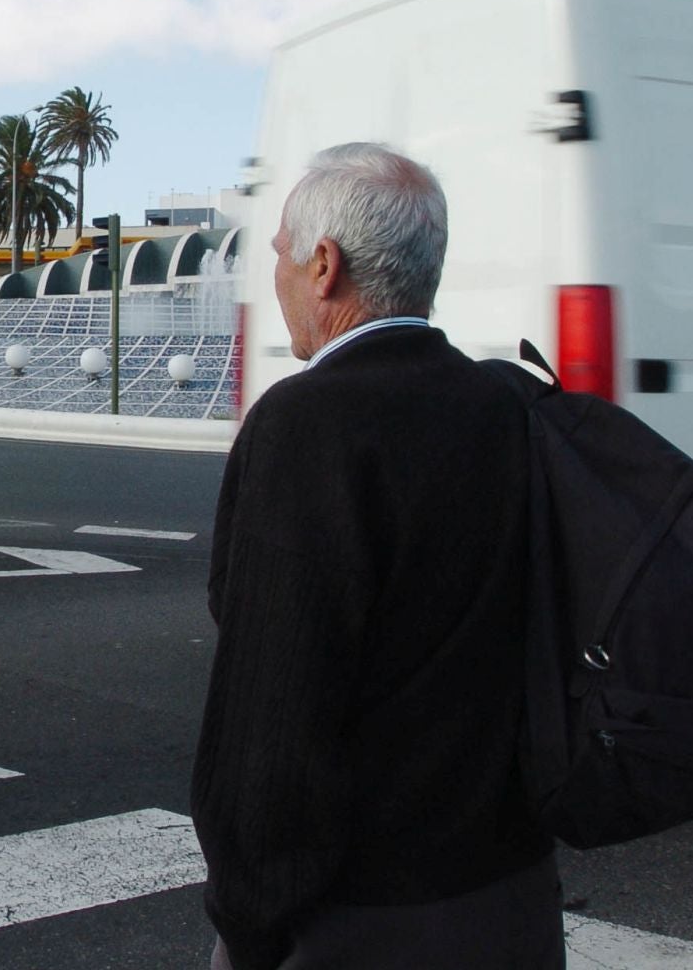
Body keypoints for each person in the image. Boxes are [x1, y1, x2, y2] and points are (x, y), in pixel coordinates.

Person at [191, 143, 558, 969]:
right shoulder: (508, 405)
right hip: (513, 893)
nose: (276, 274)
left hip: (362, 912)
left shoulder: (308, 423)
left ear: (325, 266)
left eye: (281, 253)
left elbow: (273, 702)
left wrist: (249, 920)